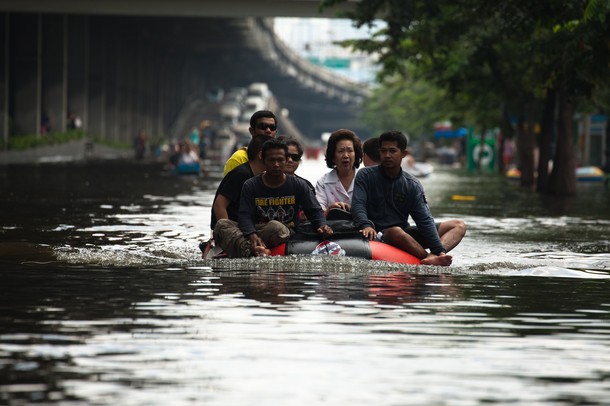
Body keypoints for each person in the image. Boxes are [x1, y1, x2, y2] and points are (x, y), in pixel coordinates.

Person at [351, 131, 466, 266]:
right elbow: (358, 204)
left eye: (392, 151)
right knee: (395, 231)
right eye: (383, 151)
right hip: (378, 233)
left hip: (404, 234)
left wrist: (439, 250)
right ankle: (428, 258)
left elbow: (424, 220)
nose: (387, 155)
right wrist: (365, 225)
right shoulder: (365, 175)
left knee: (459, 225)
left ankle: (436, 256)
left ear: (403, 154)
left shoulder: (412, 184)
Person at [216, 139, 333, 258]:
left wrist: (322, 225)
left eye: (280, 160)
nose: (276, 165)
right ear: (263, 159)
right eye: (271, 160)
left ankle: (245, 251)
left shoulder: (299, 185)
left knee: (276, 227)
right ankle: (255, 250)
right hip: (259, 230)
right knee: (222, 224)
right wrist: (252, 235)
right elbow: (245, 216)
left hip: (283, 231)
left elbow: (314, 211)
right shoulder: (250, 185)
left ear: (286, 160)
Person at [211, 134, 273, 238]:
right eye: (273, 155)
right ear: (261, 155)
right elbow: (219, 205)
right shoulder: (241, 174)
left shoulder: (262, 177)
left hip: (249, 226)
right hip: (234, 227)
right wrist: (229, 235)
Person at [315, 129, 363, 213]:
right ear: (333, 157)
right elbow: (318, 214)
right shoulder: (323, 183)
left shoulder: (365, 179)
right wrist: (330, 209)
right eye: (340, 151)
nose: (346, 155)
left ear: (356, 154)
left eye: (350, 150)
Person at [223, 110, 278, 176]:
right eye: (263, 126)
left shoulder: (281, 159)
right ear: (252, 131)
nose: (268, 131)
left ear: (276, 133)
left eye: (272, 127)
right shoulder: (239, 158)